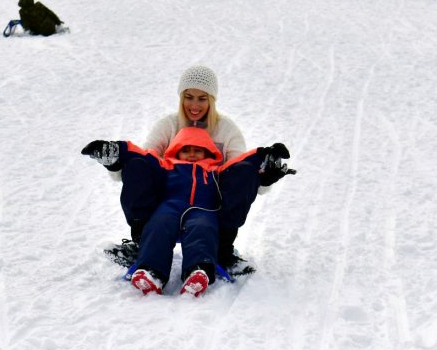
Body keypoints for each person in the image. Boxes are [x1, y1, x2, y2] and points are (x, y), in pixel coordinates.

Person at [105, 65, 294, 272]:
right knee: (140, 163)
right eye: (189, 97)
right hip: (167, 201)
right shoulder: (168, 126)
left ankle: (222, 250)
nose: (194, 105)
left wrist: (263, 176)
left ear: (212, 100)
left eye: (202, 98)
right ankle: (143, 243)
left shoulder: (227, 130)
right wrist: (116, 162)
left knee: (242, 171)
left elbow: (240, 173)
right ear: (181, 97)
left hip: (209, 205)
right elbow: (145, 166)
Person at [83, 127, 293, 297]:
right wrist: (116, 150)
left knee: (201, 229)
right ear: (176, 151)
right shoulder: (167, 166)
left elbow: (240, 163)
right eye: (186, 149)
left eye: (198, 150)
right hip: (169, 207)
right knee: (158, 226)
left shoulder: (214, 171)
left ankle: (197, 271)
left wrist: (263, 155)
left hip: (203, 210)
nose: (192, 153)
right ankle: (151, 271)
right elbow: (142, 156)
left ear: (209, 153)